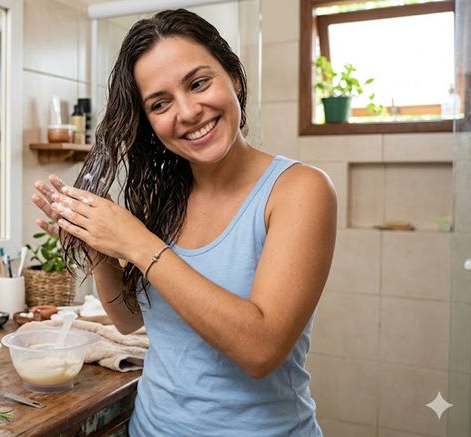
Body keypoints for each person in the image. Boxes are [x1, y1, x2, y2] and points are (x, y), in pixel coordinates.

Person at [31, 9, 336, 436]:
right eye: (160, 103)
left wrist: (136, 243)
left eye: (198, 83)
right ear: (150, 124)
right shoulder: (166, 199)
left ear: (235, 78)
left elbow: (261, 350)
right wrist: (99, 251)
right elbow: (129, 320)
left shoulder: (298, 190)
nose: (189, 111)